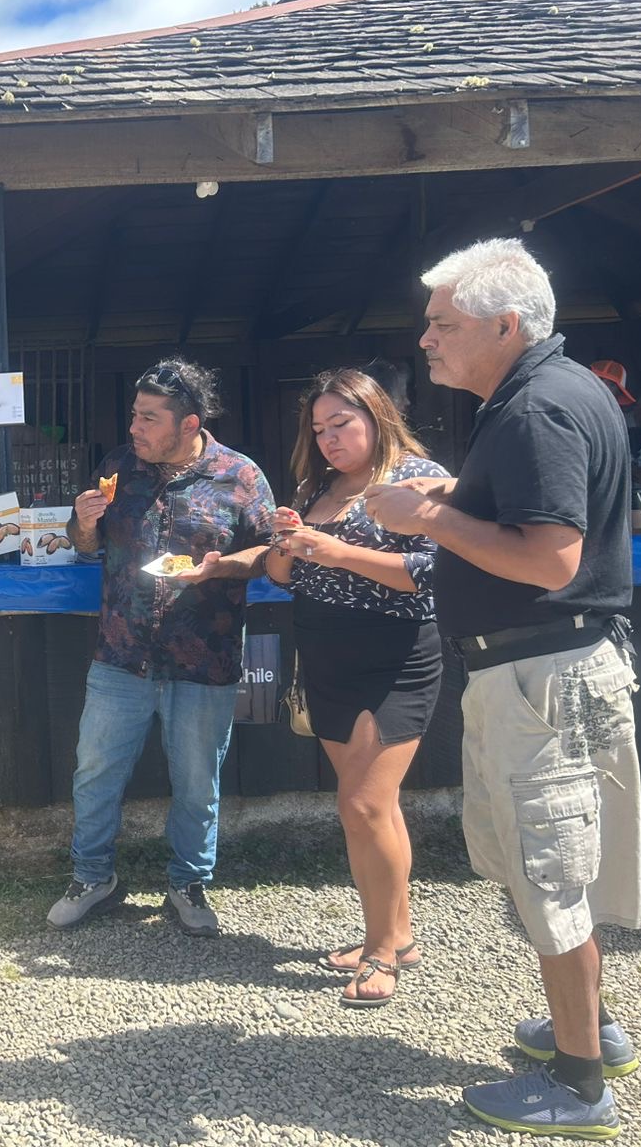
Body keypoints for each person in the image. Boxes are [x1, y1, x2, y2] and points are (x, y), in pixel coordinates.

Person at [366, 239, 641, 1139]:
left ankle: (580, 1085)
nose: (426, 339)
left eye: (442, 323)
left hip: (539, 680)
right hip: (547, 671)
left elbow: (550, 558)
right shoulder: (554, 391)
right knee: (552, 867)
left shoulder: (534, 410)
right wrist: (459, 492)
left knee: (548, 875)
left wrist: (428, 515)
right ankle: (589, 1028)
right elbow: (534, 512)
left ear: (504, 325)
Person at [47, 359, 274, 936]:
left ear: (189, 423)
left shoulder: (240, 476)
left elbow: (271, 552)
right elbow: (83, 544)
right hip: (121, 654)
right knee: (95, 772)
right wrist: (83, 522)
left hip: (204, 657)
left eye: (149, 418)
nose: (135, 427)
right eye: (134, 414)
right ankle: (92, 878)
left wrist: (221, 567)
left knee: (198, 783)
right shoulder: (118, 467)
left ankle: (189, 884)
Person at [262, 369, 449, 1009]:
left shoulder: (416, 478)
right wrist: (287, 542)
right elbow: (283, 576)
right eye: (319, 429)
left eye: (341, 424)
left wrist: (334, 551)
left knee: (362, 806)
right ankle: (401, 934)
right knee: (376, 806)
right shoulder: (317, 486)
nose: (329, 439)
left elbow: (430, 573)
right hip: (326, 656)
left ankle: (380, 952)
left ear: (377, 415)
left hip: (392, 657)